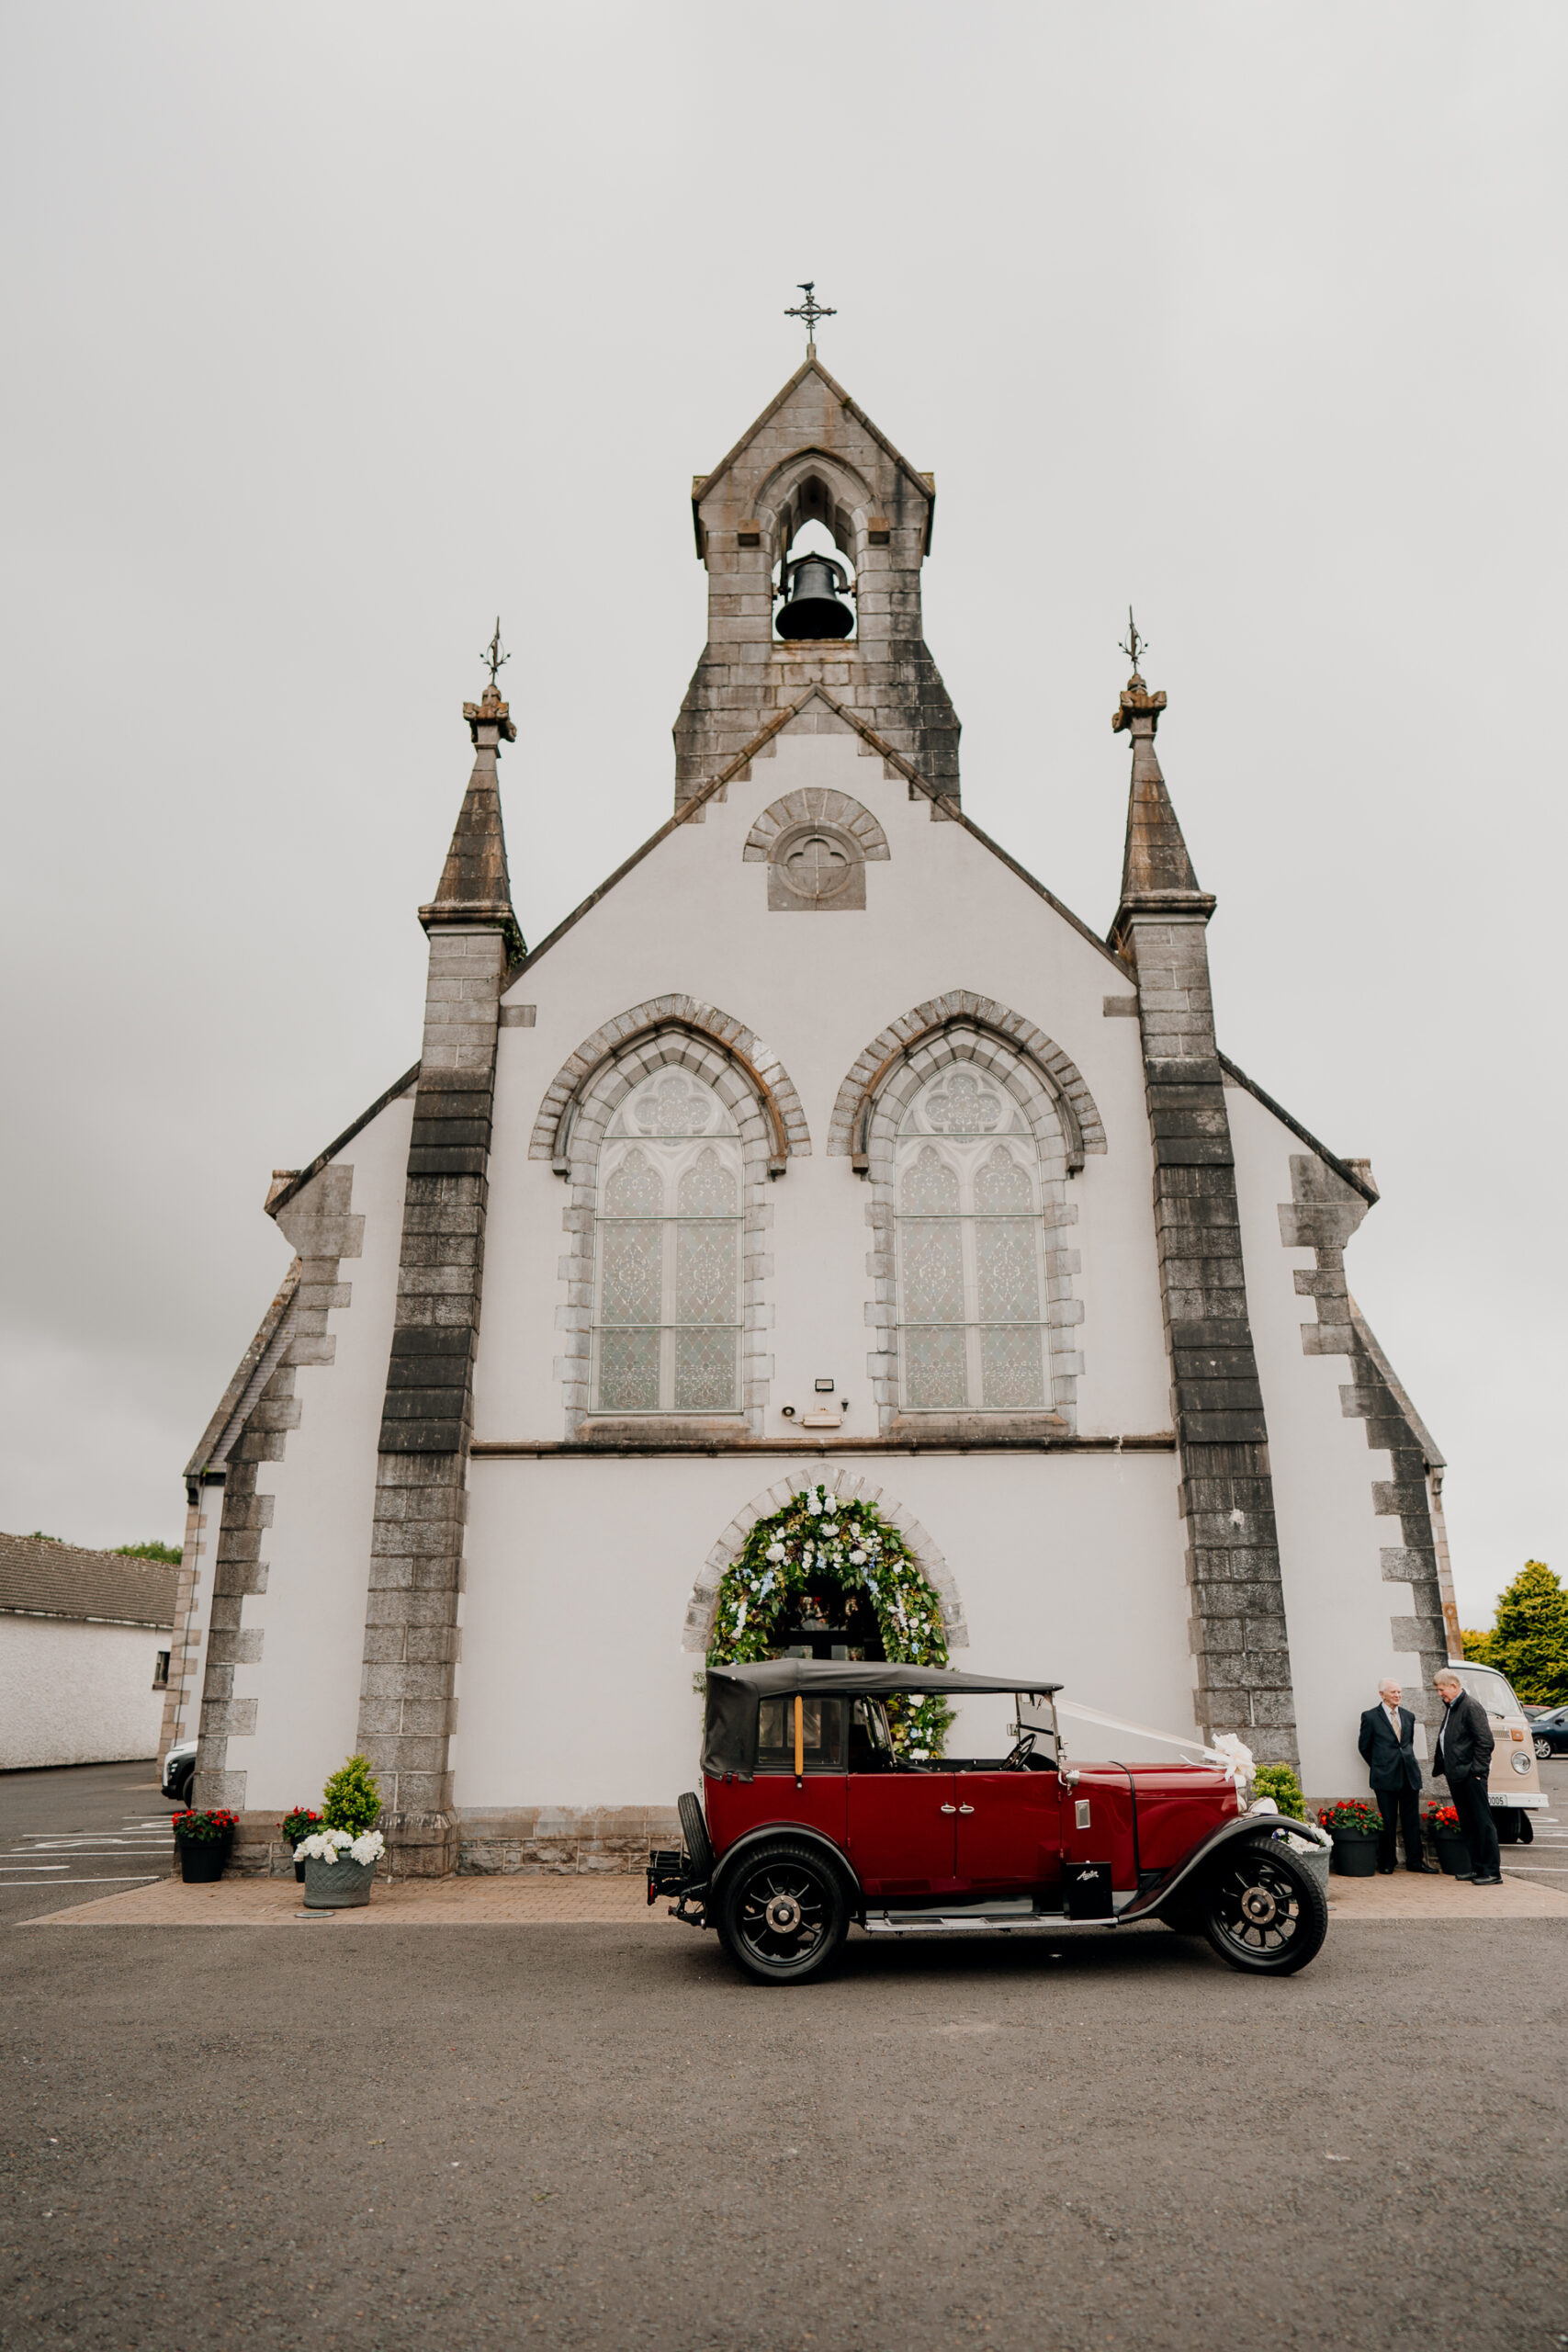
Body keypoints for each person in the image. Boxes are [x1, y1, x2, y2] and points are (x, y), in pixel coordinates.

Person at [1431, 1668, 1501, 1885]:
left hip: (1471, 1776)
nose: (1440, 1694)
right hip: (1458, 1775)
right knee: (1469, 1825)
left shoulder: (1470, 1706)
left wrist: (1477, 1772)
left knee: (1482, 1823)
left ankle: (1491, 1872)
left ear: (1454, 1686)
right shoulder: (1453, 1706)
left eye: (1442, 1690)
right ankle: (1477, 1868)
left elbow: (1485, 1741)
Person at [1357, 1679, 1433, 1872]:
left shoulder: (1408, 1716)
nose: (1397, 1695)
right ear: (1382, 1694)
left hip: (1409, 1775)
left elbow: (1407, 1744)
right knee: (1388, 1821)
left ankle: (1415, 1862)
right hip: (1384, 1776)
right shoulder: (1370, 1716)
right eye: (1393, 1692)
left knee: (1411, 1821)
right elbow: (1364, 1747)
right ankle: (1387, 1862)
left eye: (1399, 1692)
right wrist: (1380, 1765)